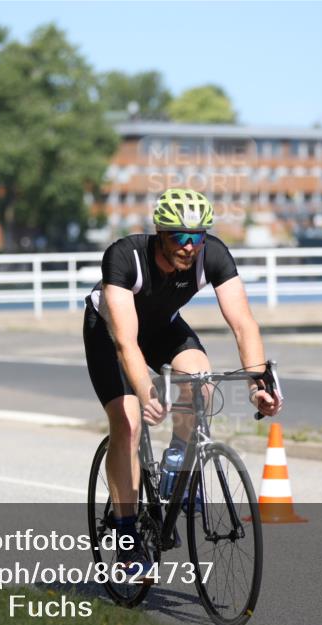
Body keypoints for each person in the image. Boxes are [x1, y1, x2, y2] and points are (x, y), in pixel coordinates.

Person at [83, 188, 283, 574]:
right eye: (180, 236)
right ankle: (127, 538)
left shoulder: (214, 255)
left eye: (198, 237)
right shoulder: (125, 257)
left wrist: (258, 384)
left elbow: (243, 324)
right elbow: (126, 342)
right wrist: (146, 392)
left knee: (200, 381)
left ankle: (177, 465)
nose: (190, 247)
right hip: (110, 334)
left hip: (162, 329)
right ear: (160, 232)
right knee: (128, 420)